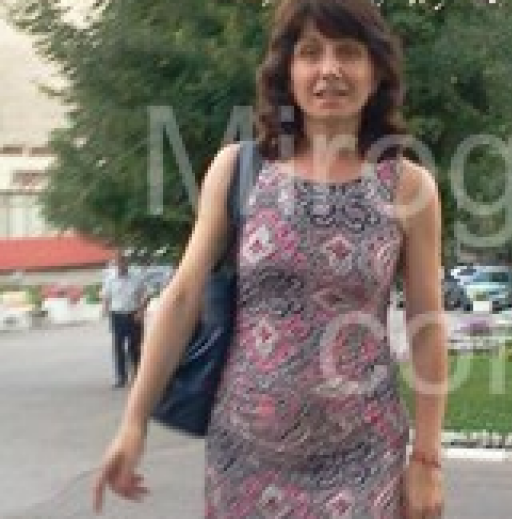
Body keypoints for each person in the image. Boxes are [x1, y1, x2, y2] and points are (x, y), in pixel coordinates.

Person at [93, 1, 448, 517]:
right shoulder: (239, 169)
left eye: (348, 52)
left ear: (375, 72)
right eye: (311, 53)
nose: (329, 69)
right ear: (288, 70)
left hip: (366, 458)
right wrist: (133, 423)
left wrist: (427, 460)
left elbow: (427, 325)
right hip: (245, 460)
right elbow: (183, 297)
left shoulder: (409, 187)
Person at [101, 253, 149, 389]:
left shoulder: (137, 277)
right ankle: (121, 377)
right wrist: (105, 309)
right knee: (118, 347)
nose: (121, 266)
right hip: (117, 316)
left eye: (123, 262)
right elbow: (106, 296)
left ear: (127, 263)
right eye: (118, 263)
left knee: (135, 346)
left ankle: (138, 376)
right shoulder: (110, 279)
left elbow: (146, 295)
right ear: (115, 265)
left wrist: (141, 311)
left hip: (134, 315)